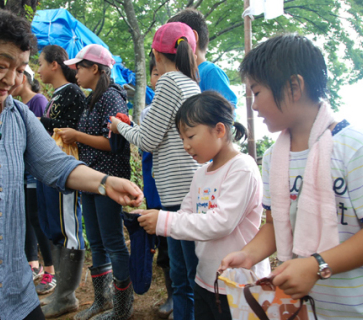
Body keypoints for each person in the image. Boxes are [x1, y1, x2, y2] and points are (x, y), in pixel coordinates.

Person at [0, 9, 142, 320]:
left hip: (13, 287)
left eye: (20, 69)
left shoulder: (17, 114)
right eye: (2, 66)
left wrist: (105, 182)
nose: (12, 80)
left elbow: (56, 164)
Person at [218, 34, 363, 319]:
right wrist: (249, 254)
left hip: (356, 310)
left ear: (294, 86)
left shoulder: (356, 149)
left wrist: (316, 265)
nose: (254, 106)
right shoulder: (273, 160)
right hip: (299, 308)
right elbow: (274, 225)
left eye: (257, 92)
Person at [138, 91, 271, 320]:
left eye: (190, 136)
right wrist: (155, 221)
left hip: (239, 284)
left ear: (219, 130)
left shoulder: (242, 168)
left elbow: (221, 223)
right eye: (182, 139)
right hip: (205, 280)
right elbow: (186, 215)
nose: (185, 145)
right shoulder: (200, 174)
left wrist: (162, 220)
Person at [110, 22, 201, 320]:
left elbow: (147, 140)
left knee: (184, 274)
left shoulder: (169, 82)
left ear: (156, 55)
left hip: (176, 190)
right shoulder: (191, 82)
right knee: (191, 271)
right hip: (193, 185)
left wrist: (119, 126)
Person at [58, 44, 133, 320]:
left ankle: (123, 308)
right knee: (98, 242)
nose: (75, 71)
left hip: (108, 179)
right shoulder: (93, 99)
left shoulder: (112, 97)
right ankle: (102, 301)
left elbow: (112, 144)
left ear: (96, 69)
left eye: (79, 67)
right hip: (90, 178)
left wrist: (76, 135)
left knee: (113, 241)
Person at [34, 44, 87, 318]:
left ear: (55, 64)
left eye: (41, 63)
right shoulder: (57, 95)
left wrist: (34, 122)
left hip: (65, 169)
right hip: (50, 168)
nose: (38, 69)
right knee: (53, 226)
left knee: (67, 228)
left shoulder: (74, 93)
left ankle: (67, 295)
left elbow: (69, 130)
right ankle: (60, 292)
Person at [10, 65, 53, 283]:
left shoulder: (38, 101)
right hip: (20, 170)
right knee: (26, 218)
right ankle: (32, 264)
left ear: (24, 78)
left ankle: (49, 269)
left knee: (37, 218)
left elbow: (43, 138)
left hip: (34, 171)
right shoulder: (15, 104)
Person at [140, 53, 173, 319]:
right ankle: (173, 294)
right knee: (162, 245)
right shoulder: (147, 111)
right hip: (153, 188)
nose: (157, 78)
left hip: (174, 189)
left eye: (161, 73)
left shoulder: (176, 107)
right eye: (154, 73)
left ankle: (178, 296)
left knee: (177, 243)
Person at [168, 8, 238, 109]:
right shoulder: (180, 76)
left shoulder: (210, 72)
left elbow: (226, 112)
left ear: (192, 37)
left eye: (173, 41)